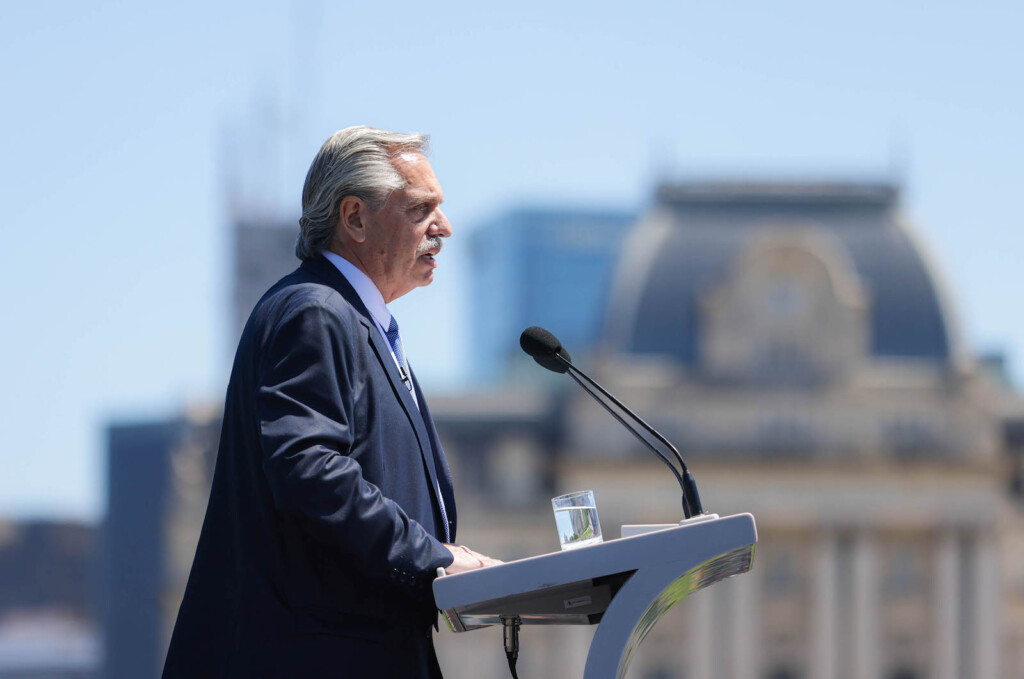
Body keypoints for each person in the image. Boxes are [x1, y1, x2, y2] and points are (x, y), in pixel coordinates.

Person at [162, 126, 500, 679]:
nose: (444, 228)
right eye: (420, 209)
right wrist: (435, 558)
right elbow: (309, 471)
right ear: (355, 219)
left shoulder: (357, 322)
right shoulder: (315, 313)